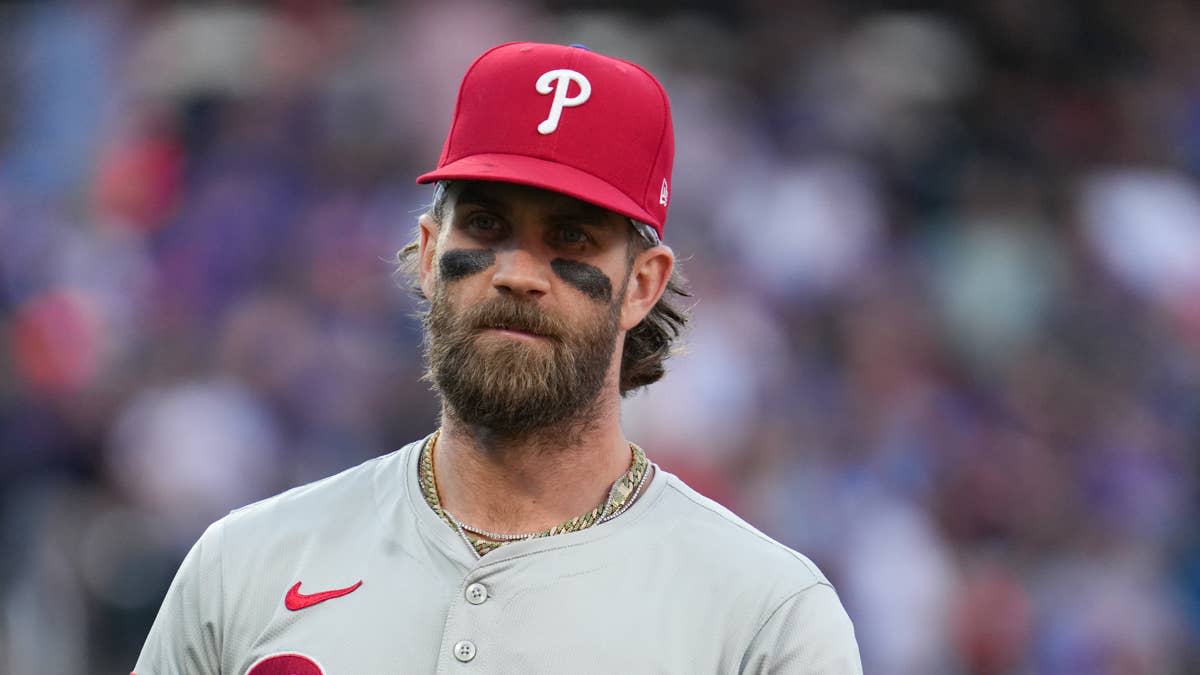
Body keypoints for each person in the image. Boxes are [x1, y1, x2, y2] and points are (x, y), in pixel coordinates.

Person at [134, 41, 862, 674]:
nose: (517, 272)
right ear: (428, 253)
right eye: (485, 223)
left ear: (642, 285)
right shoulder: (247, 563)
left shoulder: (765, 616)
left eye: (571, 237)